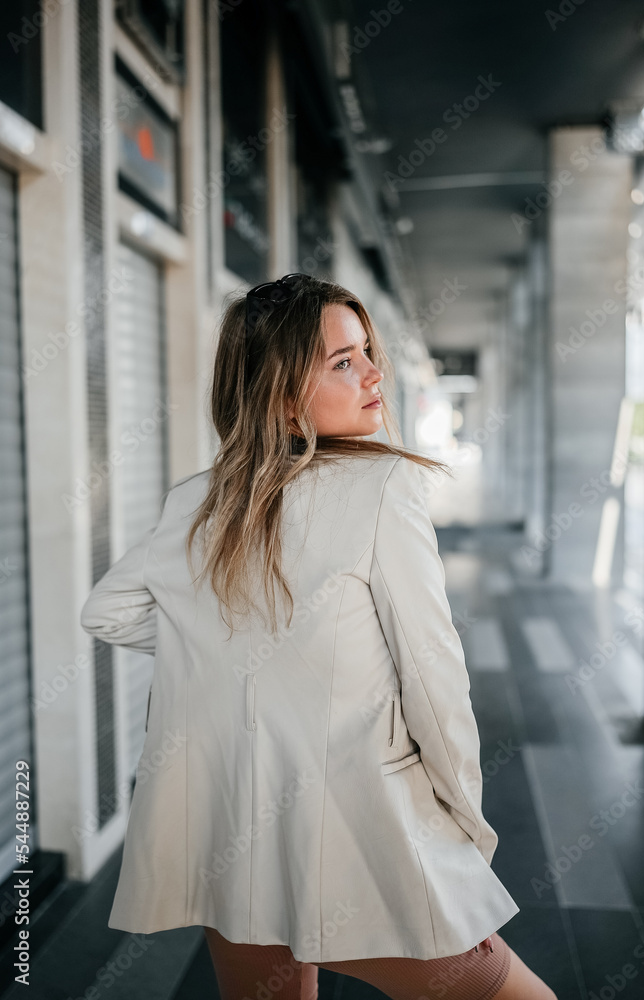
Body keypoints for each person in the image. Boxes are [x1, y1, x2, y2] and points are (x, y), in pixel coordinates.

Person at [80, 273, 557, 1000]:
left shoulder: (197, 499)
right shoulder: (382, 486)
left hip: (231, 833)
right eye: (342, 361)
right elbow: (433, 676)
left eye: (365, 353)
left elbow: (107, 611)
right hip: (369, 828)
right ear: (279, 396)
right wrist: (466, 820)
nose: (372, 374)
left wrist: (231, 649)